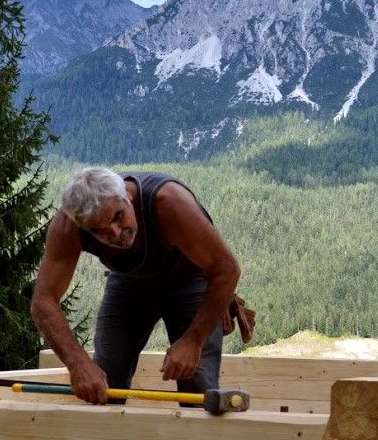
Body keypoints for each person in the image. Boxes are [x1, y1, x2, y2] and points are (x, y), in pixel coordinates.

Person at [31, 167, 242, 404]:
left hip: (191, 282)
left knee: (197, 384)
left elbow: (227, 269)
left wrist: (194, 341)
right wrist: (77, 364)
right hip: (129, 284)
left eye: (117, 217)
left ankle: (198, 439)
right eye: (99, 231)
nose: (115, 233)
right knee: (103, 385)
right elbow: (43, 301)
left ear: (127, 196)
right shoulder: (67, 225)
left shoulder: (169, 203)